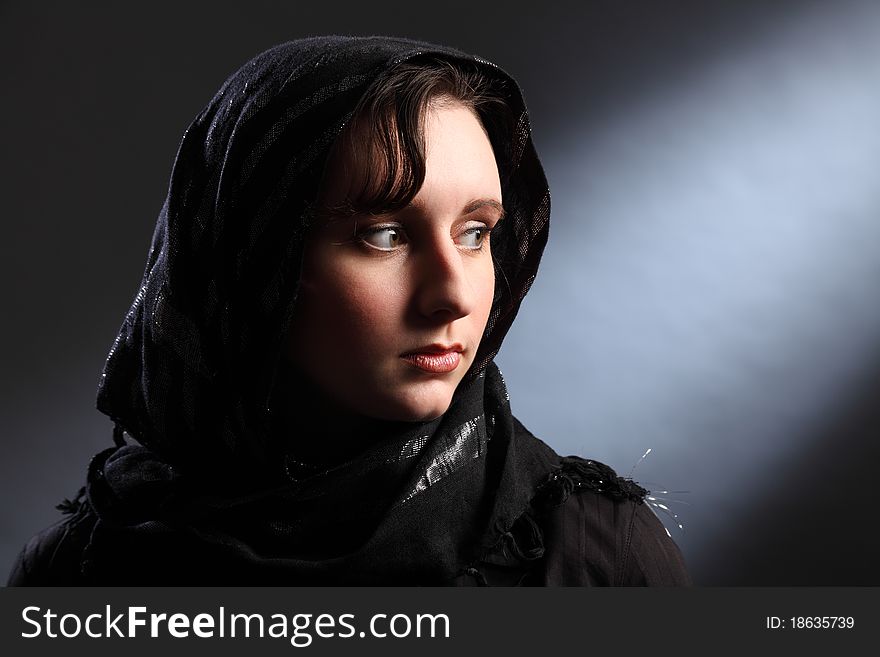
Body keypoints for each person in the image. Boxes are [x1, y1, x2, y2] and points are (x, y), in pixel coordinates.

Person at [8, 36, 690, 586]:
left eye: (476, 232)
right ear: (255, 260)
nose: (453, 294)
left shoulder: (593, 555)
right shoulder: (85, 572)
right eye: (384, 235)